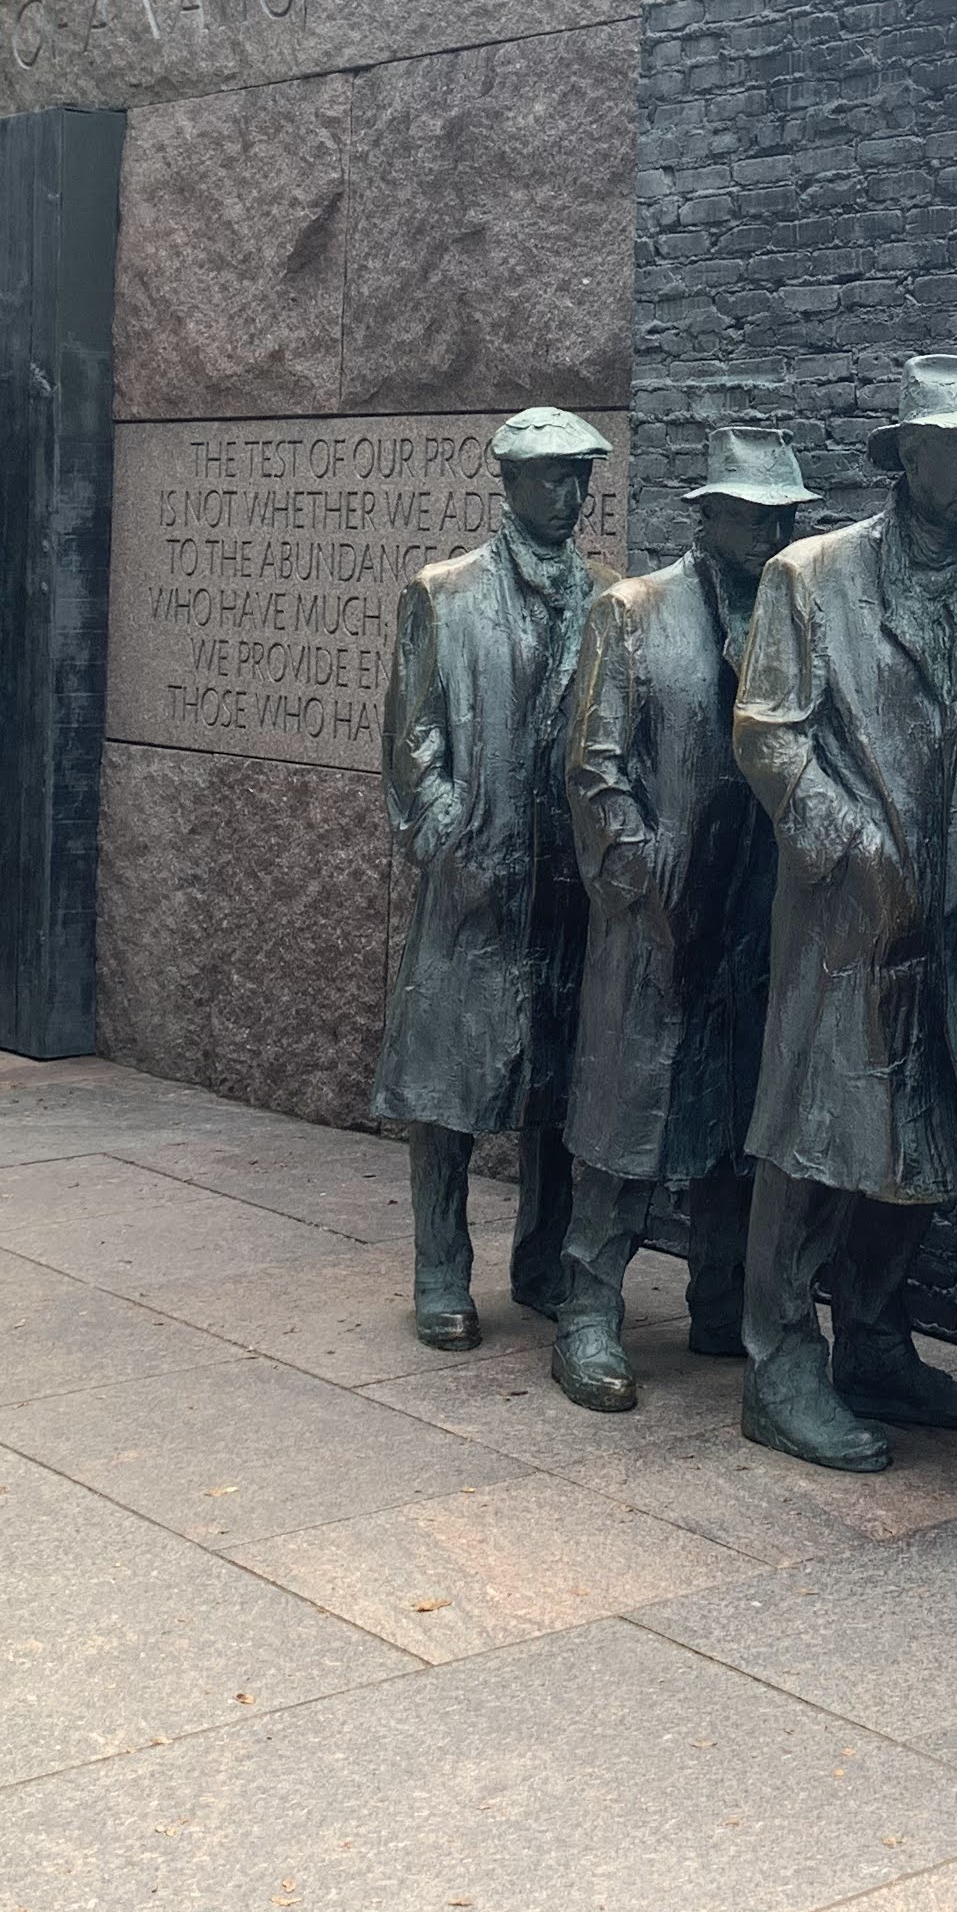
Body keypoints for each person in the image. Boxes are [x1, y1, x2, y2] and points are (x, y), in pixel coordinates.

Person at [729, 354, 957, 1472]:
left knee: (924, 1140)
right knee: (813, 1137)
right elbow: (768, 734)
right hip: (844, 916)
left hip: (947, 911)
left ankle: (874, 1340)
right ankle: (777, 1366)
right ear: (906, 456)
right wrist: (855, 851)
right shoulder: (810, 576)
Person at [546, 427, 815, 1412]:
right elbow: (593, 765)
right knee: (626, 1115)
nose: (770, 535)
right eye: (752, 517)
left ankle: (721, 1297)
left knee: (739, 1112)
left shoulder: (796, 618)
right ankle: (587, 1311)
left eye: (782, 519)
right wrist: (636, 873)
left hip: (761, 904)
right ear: (709, 517)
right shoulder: (633, 611)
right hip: (654, 907)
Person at [375, 407, 611, 1351]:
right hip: (476, 882)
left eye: (579, 476)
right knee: (446, 1089)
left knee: (559, 1084)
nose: (569, 494)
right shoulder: (445, 594)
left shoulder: (609, 598)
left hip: (571, 887)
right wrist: (450, 836)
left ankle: (543, 1261)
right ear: (509, 484)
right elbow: (411, 742)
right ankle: (440, 1269)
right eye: (550, 476)